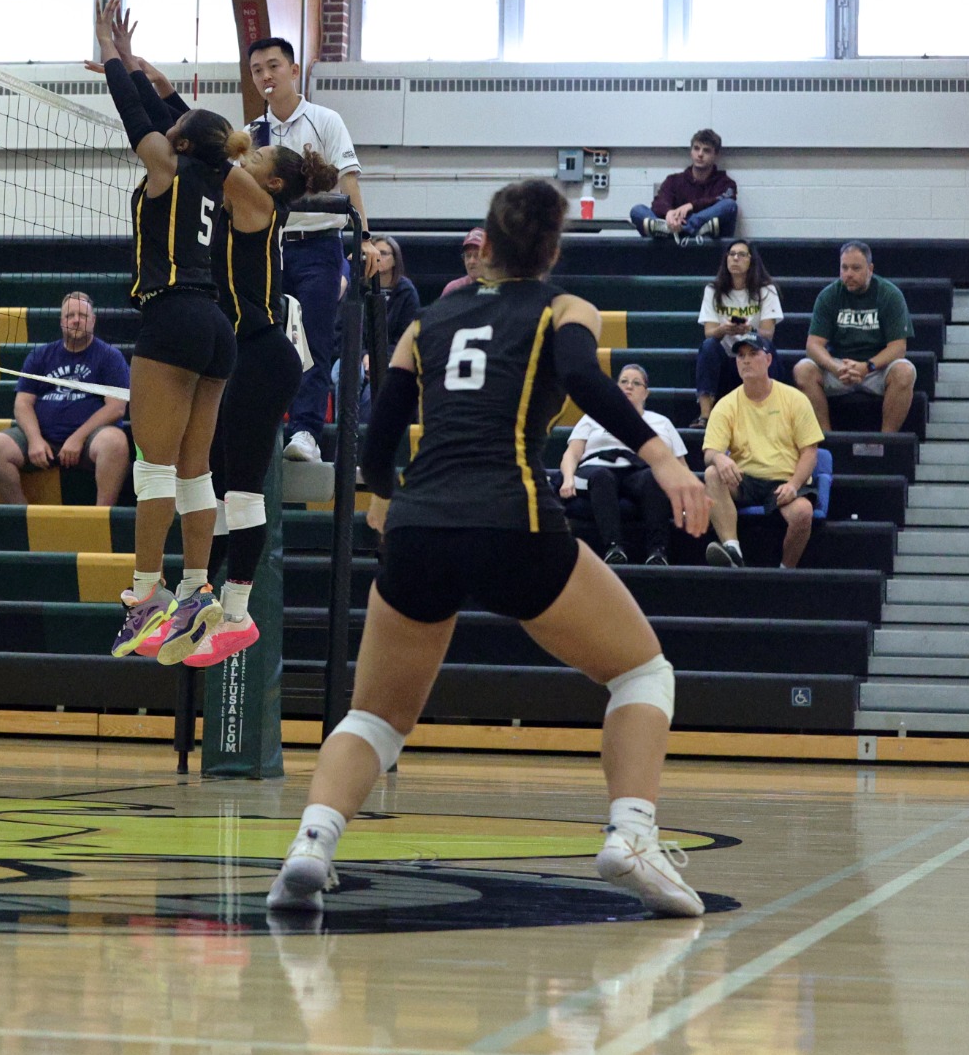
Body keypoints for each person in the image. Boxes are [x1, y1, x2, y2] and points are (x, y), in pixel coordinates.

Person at [266, 178, 710, 919]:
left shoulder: (428, 320)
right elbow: (577, 373)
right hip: (515, 520)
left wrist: (383, 490)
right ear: (553, 248)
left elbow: (379, 429)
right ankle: (632, 835)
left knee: (373, 717)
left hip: (420, 525)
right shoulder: (566, 307)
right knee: (642, 671)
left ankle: (310, 846)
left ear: (487, 244)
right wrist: (661, 457)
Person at [107, 37, 338, 664]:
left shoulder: (255, 200)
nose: (245, 155)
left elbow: (202, 146)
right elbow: (204, 145)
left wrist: (130, 76)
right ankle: (208, 601)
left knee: (236, 489)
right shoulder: (239, 190)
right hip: (234, 345)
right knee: (214, 481)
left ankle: (225, 610)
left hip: (257, 350)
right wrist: (147, 76)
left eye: (257, 156)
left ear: (277, 179)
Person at [96, 2, 254, 664]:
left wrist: (111, 56)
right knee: (195, 472)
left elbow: (141, 121)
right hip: (218, 327)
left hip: (172, 315)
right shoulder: (221, 180)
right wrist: (135, 63)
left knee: (153, 467)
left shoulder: (166, 168)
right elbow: (166, 117)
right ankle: (195, 587)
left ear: (181, 142)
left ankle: (146, 594)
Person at [246, 36, 364, 466]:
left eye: (273, 66)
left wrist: (363, 240)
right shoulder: (251, 135)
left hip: (319, 246)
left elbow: (349, 181)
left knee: (313, 340)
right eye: (257, 70)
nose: (266, 76)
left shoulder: (325, 120)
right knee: (265, 341)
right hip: (268, 247)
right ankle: (262, 428)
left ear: (294, 70)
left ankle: (306, 432)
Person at [0, 292, 130, 509]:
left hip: (89, 441)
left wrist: (78, 438)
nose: (76, 320)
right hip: (44, 439)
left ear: (93, 321)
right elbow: (22, 403)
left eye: (82, 316)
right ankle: (22, 513)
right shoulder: (40, 355)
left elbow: (116, 408)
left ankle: (101, 516)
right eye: (70, 316)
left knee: (115, 443)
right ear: (62, 322)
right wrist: (35, 439)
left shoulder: (110, 357)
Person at [704, 335, 823, 570]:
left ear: (768, 359)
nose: (746, 361)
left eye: (753, 354)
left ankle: (785, 570)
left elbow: (810, 451)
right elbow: (710, 451)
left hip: (783, 480)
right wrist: (719, 458)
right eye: (741, 356)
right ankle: (732, 550)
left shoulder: (794, 399)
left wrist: (794, 484)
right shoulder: (726, 404)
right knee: (711, 473)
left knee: (803, 512)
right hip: (745, 479)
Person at [559, 364, 689, 567]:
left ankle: (658, 551)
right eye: (624, 382)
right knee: (602, 476)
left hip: (638, 470)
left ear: (646, 393)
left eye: (636, 383)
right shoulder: (594, 415)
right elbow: (572, 453)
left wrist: (686, 496)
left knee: (653, 478)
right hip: (597, 468)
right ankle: (614, 547)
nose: (629, 387)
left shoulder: (661, 422)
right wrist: (568, 478)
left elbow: (680, 465)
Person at [794, 240, 917, 434]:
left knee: (905, 371)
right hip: (840, 369)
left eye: (856, 268)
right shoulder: (829, 295)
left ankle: (886, 441)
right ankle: (827, 440)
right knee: (802, 369)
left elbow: (898, 348)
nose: (848, 274)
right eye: (844, 268)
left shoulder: (889, 295)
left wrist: (866, 367)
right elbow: (813, 345)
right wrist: (835, 367)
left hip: (877, 369)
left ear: (870, 269)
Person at [694, 240, 782, 426]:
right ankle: (705, 416)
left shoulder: (766, 290)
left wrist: (750, 330)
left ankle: (771, 411)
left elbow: (768, 334)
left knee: (767, 348)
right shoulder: (713, 290)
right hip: (726, 361)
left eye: (742, 254)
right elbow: (709, 332)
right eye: (732, 254)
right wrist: (723, 329)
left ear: (752, 261)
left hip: (753, 354)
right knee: (708, 346)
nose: (735, 258)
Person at [631, 129, 738, 244]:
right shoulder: (673, 180)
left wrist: (691, 206)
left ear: (715, 155)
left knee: (730, 205)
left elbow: (725, 204)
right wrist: (669, 213)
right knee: (637, 210)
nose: (700, 154)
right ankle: (671, 229)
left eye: (706, 151)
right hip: (673, 235)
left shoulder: (726, 183)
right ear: (691, 152)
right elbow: (659, 202)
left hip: (708, 244)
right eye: (696, 148)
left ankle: (689, 227)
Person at [361, 234, 420, 357]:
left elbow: (408, 334)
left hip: (394, 356)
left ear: (395, 260)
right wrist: (363, 356)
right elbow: (345, 331)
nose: (377, 257)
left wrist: (380, 357)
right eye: (374, 253)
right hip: (358, 358)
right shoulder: (358, 288)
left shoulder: (406, 291)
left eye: (382, 253)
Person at [439, 227, 486, 297]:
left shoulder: (499, 289)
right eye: (468, 256)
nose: (471, 261)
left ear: (488, 258)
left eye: (477, 256)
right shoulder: (453, 289)